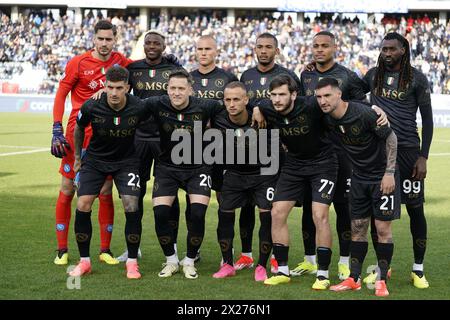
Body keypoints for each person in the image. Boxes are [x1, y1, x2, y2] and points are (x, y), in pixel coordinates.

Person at [145, 69, 265, 280]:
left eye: (181, 88)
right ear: (167, 89)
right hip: (167, 167)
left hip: (198, 167)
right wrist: (100, 94)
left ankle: (190, 261)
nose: (176, 92)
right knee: (161, 213)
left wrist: (257, 108)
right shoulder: (157, 104)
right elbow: (129, 105)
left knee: (198, 213)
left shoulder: (207, 106)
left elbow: (235, 107)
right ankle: (172, 260)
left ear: (191, 90)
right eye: (172, 88)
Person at [51, 20, 131, 266]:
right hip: (76, 134)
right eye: (101, 39)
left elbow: (143, 67)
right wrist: (56, 127)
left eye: (109, 39)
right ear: (94, 39)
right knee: (68, 189)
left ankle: (104, 250)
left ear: (114, 39)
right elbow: (61, 93)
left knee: (105, 193)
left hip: (104, 137)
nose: (105, 44)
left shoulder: (122, 62)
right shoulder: (78, 62)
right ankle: (62, 249)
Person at [293, 31, 367, 280]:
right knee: (309, 209)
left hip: (342, 150)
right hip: (313, 150)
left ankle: (344, 261)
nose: (319, 50)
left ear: (335, 47)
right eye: (315, 45)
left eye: (325, 45)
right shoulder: (306, 74)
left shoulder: (346, 76)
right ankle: (309, 260)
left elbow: (360, 106)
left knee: (343, 206)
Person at [315, 77, 399, 297]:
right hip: (359, 179)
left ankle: (381, 280)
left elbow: (391, 139)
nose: (322, 101)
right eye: (319, 97)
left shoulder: (364, 114)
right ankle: (354, 278)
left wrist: (389, 173)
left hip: (382, 178)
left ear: (339, 94)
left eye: (327, 96)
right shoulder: (326, 118)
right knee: (358, 229)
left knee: (382, 230)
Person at [361, 32, 433, 289]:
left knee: (416, 210)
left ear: (403, 49)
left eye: (392, 49)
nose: (387, 53)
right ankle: (383, 267)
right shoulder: (372, 76)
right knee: (376, 213)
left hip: (409, 152)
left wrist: (423, 156)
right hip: (379, 153)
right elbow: (348, 92)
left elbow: (428, 120)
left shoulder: (417, 79)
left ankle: (418, 268)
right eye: (384, 49)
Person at [68, 66, 153, 279]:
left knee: (131, 204)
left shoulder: (139, 107)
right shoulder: (92, 105)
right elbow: (79, 128)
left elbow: (155, 124)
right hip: (96, 160)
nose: (114, 93)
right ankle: (85, 261)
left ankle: (132, 263)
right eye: (110, 87)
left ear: (127, 88)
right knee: (83, 203)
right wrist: (78, 157)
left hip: (127, 162)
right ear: (104, 86)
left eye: (119, 88)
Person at [258, 75, 336, 290]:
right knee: (277, 213)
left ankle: (322, 274)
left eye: (282, 94)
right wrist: (258, 109)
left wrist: (374, 110)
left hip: (323, 164)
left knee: (319, 215)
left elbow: (338, 104)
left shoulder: (311, 105)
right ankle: (282, 270)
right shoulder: (268, 106)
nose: (276, 99)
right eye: (273, 95)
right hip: (294, 165)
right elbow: (259, 103)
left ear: (293, 94)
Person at [115, 30, 182, 262]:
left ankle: (171, 248)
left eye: (157, 43)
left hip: (166, 139)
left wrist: (179, 64)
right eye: (148, 43)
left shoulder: (172, 70)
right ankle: (134, 247)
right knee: (135, 193)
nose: (152, 46)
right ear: (143, 46)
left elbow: (182, 91)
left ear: (164, 47)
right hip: (139, 138)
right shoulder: (133, 69)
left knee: (169, 195)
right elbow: (119, 90)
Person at [239, 33, 301, 273]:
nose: (263, 51)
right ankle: (246, 254)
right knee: (246, 204)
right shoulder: (246, 75)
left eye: (268, 47)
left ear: (277, 50)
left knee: (272, 205)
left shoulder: (287, 76)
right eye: (259, 47)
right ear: (254, 49)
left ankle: (276, 255)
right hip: (250, 147)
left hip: (277, 147)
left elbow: (297, 108)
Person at [210, 81, 277, 282]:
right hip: (233, 174)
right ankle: (228, 264)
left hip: (262, 175)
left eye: (237, 99)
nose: (232, 104)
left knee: (267, 218)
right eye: (228, 99)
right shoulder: (218, 118)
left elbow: (273, 102)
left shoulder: (261, 115)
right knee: (224, 217)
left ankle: (261, 266)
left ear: (246, 100)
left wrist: (258, 107)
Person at [189, 35, 238, 266]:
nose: (204, 52)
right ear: (195, 51)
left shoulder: (227, 78)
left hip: (222, 148)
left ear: (216, 51)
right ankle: (193, 249)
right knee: (194, 202)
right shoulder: (188, 78)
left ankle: (226, 251)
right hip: (192, 148)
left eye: (208, 49)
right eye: (200, 49)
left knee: (224, 200)